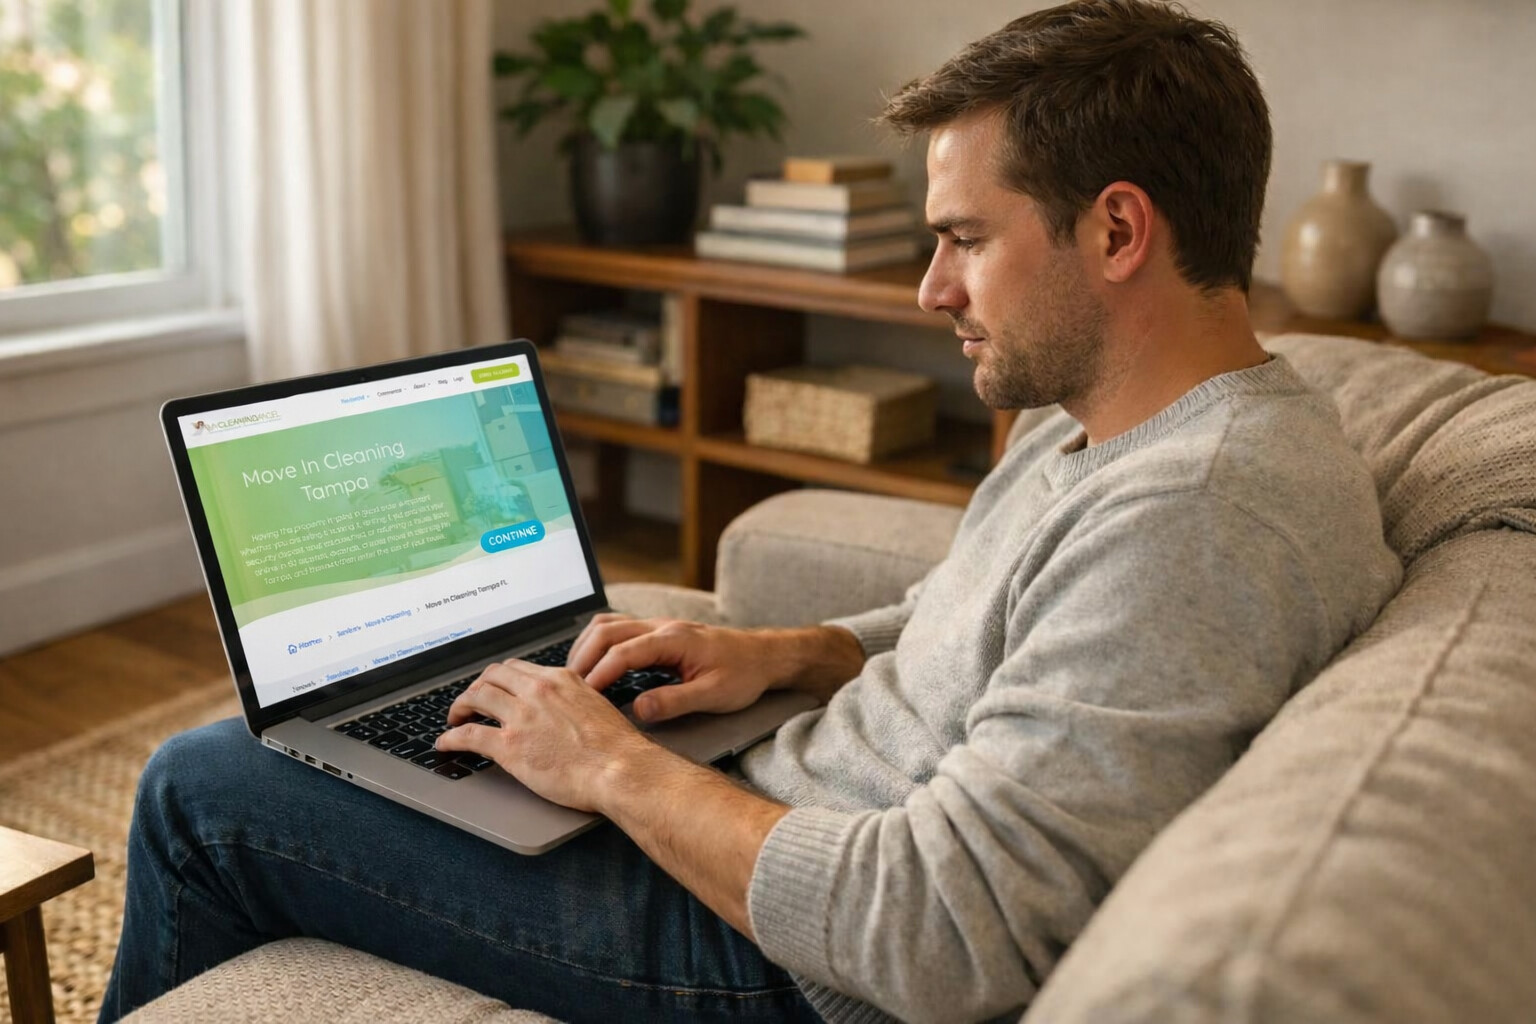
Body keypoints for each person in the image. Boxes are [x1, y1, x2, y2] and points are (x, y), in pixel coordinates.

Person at [101, 2, 1403, 1022]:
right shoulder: (1131, 428)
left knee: (202, 783)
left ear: (1118, 230)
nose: (930, 287)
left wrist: (612, 771)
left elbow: (939, 940)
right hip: (783, 823)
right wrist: (794, 652)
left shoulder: (1198, 524)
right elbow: (994, 609)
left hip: (785, 968)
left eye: (964, 236)